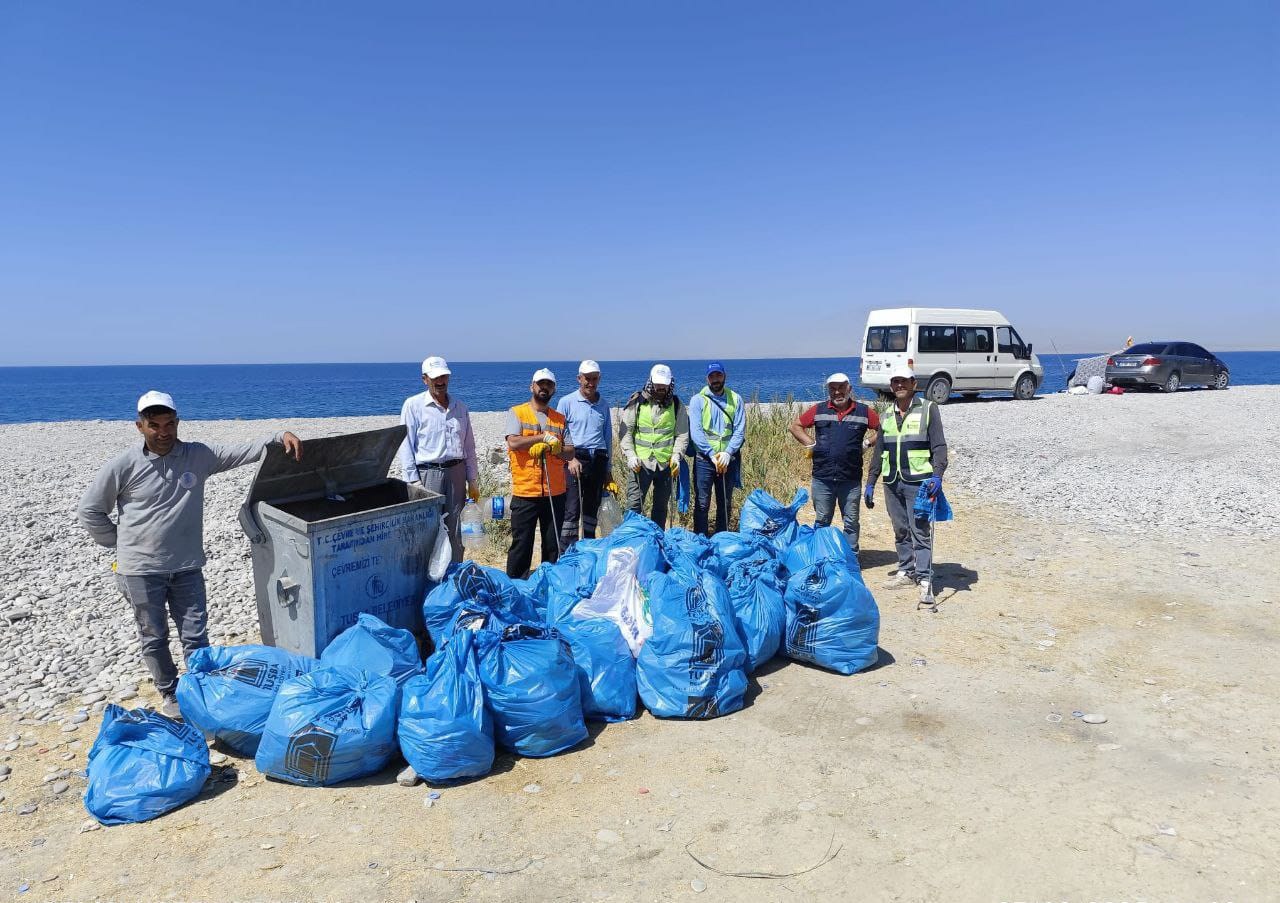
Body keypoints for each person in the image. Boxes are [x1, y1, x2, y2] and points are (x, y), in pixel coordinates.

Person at [77, 391, 303, 718]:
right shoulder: (123, 466)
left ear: (178, 422)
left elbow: (244, 452)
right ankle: (169, 694)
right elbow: (90, 510)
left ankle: (200, 690)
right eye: (154, 425)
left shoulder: (198, 456)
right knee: (153, 636)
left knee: (196, 635)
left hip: (187, 568)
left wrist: (279, 436)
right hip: (139, 571)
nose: (163, 432)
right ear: (139, 426)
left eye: (169, 424)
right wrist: (118, 543)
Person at [865, 364, 948, 608]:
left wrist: (937, 475)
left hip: (920, 482)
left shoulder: (928, 409)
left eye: (904, 381)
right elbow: (879, 450)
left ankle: (924, 577)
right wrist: (871, 481)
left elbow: (939, 446)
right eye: (895, 382)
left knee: (920, 529)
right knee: (900, 529)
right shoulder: (887, 414)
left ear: (914, 384)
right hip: (892, 482)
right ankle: (906, 570)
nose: (899, 386)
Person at [397, 356, 479, 563]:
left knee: (457, 528)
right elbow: (405, 444)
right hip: (427, 474)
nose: (440, 381)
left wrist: (473, 479)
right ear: (425, 379)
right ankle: (428, 579)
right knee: (427, 529)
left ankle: (454, 573)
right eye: (435, 378)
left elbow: (468, 446)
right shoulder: (413, 405)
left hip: (457, 472)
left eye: (444, 376)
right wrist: (414, 482)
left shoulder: (460, 407)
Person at [788, 373, 879, 554]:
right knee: (822, 521)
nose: (837, 392)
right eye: (833, 388)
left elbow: (884, 429)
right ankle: (821, 557)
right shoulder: (819, 410)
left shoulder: (863, 411)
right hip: (823, 477)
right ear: (828, 390)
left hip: (851, 478)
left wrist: (868, 443)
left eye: (841, 387)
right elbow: (795, 426)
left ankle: (851, 559)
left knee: (851, 522)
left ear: (849, 389)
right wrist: (810, 443)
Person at [505, 368, 574, 577]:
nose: (544, 388)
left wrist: (557, 449)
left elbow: (570, 452)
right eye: (540, 384)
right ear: (532, 386)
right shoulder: (517, 412)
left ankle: (548, 583)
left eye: (549, 385)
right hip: (526, 490)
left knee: (552, 544)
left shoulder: (559, 419)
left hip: (555, 491)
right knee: (521, 544)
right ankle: (516, 584)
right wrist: (541, 439)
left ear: (554, 389)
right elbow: (513, 441)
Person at [618, 364, 688, 529]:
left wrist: (677, 456)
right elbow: (625, 432)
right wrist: (630, 455)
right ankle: (631, 540)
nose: (661, 387)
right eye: (658, 384)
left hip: (665, 464)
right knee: (634, 506)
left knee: (660, 509)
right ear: (651, 382)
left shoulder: (677, 405)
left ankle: (656, 541)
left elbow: (682, 435)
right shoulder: (637, 402)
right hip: (640, 464)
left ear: (670, 384)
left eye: (664, 384)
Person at [556, 360, 614, 546]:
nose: (590, 383)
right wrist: (570, 459)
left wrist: (608, 470)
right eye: (586, 379)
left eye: (594, 379)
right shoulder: (566, 402)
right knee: (572, 508)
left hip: (598, 458)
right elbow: (559, 435)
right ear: (579, 379)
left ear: (600, 379)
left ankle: (589, 547)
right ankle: (567, 550)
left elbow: (607, 437)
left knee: (592, 508)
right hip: (575, 458)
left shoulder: (603, 405)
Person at [687, 361, 745, 536]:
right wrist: (712, 454)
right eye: (712, 376)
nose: (716, 380)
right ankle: (701, 538)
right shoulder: (698, 400)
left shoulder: (736, 399)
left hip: (728, 459)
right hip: (705, 459)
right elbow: (696, 432)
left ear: (724, 376)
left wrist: (728, 453)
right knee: (702, 502)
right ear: (707, 378)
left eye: (719, 375)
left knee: (725, 502)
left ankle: (722, 538)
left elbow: (739, 429)